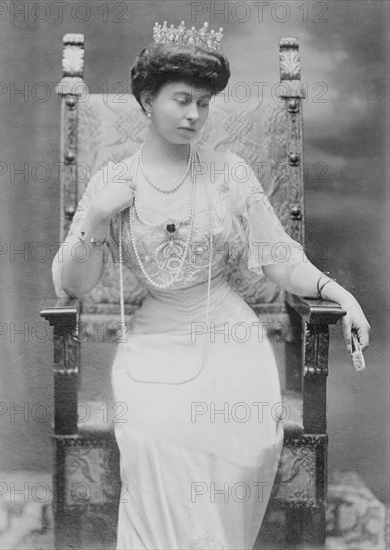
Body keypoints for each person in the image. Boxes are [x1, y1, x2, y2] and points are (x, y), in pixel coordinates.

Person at [52, 21, 371, 550]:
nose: (194, 115)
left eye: (204, 102)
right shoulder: (112, 182)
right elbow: (72, 283)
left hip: (229, 338)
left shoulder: (230, 173)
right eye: (181, 100)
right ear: (147, 101)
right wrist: (95, 221)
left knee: (240, 439)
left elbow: (279, 259)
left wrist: (341, 293)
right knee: (156, 434)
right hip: (154, 340)